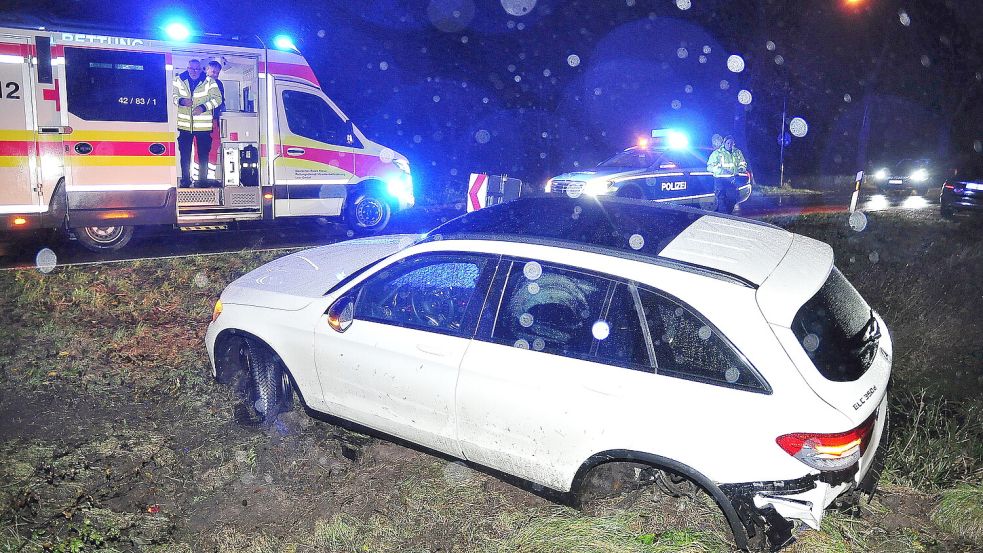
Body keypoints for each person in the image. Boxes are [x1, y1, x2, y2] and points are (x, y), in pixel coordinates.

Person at [173, 59, 222, 187]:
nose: (194, 72)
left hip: (203, 127)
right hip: (184, 126)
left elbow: (218, 100)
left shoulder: (209, 81)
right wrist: (181, 101)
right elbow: (173, 96)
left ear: (201, 69)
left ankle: (203, 181)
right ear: (187, 68)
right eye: (192, 68)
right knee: (185, 156)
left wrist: (203, 107)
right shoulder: (178, 80)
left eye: (197, 69)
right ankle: (185, 180)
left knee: (203, 156)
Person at [706, 135, 748, 214]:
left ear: (734, 143)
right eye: (728, 143)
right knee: (721, 199)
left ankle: (728, 215)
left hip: (732, 179)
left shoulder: (737, 152)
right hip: (720, 179)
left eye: (731, 143)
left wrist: (741, 168)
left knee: (732, 198)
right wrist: (720, 171)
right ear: (724, 143)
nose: (729, 145)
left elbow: (743, 163)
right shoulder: (717, 153)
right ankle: (723, 217)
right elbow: (710, 167)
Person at [205, 60, 226, 184]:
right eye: (213, 71)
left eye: (217, 73)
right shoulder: (200, 83)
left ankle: (210, 178)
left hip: (214, 121)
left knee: (213, 149)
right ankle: (199, 179)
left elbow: (221, 101)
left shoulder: (219, 84)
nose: (215, 74)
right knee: (200, 151)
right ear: (206, 69)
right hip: (201, 122)